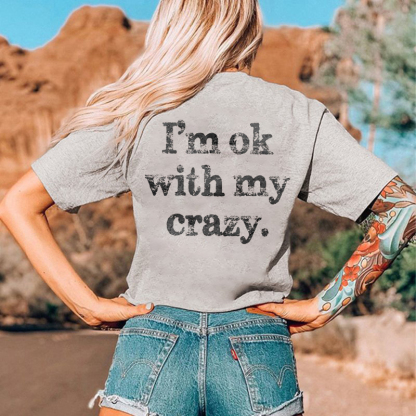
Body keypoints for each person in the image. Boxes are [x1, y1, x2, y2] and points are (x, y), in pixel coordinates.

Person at [0, 0, 414, 415]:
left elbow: (18, 203)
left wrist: (85, 305)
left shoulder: (138, 112)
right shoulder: (298, 115)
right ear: (247, 26)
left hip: (152, 338)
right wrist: (326, 304)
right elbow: (403, 208)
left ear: (172, 25)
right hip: (257, 343)